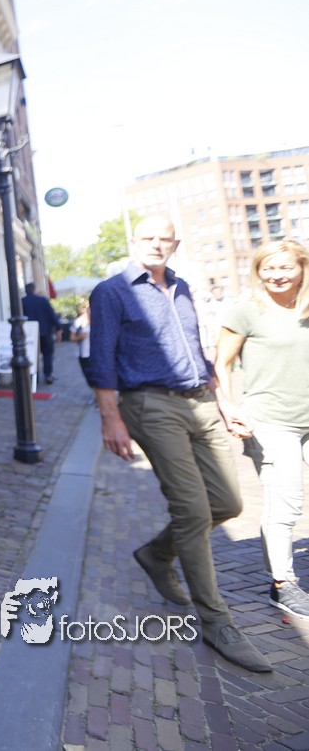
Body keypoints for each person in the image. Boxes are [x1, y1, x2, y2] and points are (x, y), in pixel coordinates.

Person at [86, 215, 270, 672]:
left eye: (164, 238)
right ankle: (217, 622)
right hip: (151, 404)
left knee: (227, 503)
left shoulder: (182, 287)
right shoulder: (112, 292)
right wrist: (111, 419)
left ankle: (156, 554)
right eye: (147, 237)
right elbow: (100, 360)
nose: (156, 244)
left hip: (201, 401)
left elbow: (198, 352)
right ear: (133, 241)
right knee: (192, 511)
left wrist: (224, 401)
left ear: (176, 243)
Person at [214, 240, 309, 619]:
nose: (277, 275)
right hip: (271, 421)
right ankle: (282, 583)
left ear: (302, 268)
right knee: (285, 501)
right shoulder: (248, 310)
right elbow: (221, 363)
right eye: (268, 268)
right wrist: (228, 407)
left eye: (285, 267)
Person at [21, 282, 61, 384]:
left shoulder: (22, 302)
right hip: (45, 331)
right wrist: (58, 328)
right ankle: (48, 374)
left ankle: (34, 376)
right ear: (34, 290)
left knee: (32, 354)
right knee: (47, 354)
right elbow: (51, 315)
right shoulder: (42, 300)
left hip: (30, 333)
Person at [69, 300, 91, 385]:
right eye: (88, 307)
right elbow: (72, 338)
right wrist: (80, 337)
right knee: (89, 378)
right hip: (84, 354)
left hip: (97, 354)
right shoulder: (78, 321)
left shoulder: (99, 320)